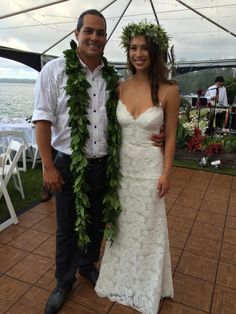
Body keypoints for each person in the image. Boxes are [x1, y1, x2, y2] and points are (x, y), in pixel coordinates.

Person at [32, 10, 165, 314]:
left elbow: (132, 117)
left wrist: (162, 135)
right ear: (76, 33)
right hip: (67, 163)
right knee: (67, 225)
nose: (94, 37)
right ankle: (63, 282)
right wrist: (48, 166)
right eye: (89, 31)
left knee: (96, 221)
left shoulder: (112, 78)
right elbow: (42, 120)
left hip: (104, 163)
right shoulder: (54, 71)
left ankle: (87, 265)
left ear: (106, 39)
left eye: (100, 33)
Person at [95, 22, 180, 314]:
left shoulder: (169, 90)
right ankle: (121, 275)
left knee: (149, 228)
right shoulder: (119, 87)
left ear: (155, 52)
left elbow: (170, 138)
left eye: (144, 48)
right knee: (122, 227)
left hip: (150, 170)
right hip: (122, 172)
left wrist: (167, 173)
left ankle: (148, 283)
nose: (138, 54)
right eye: (133, 48)